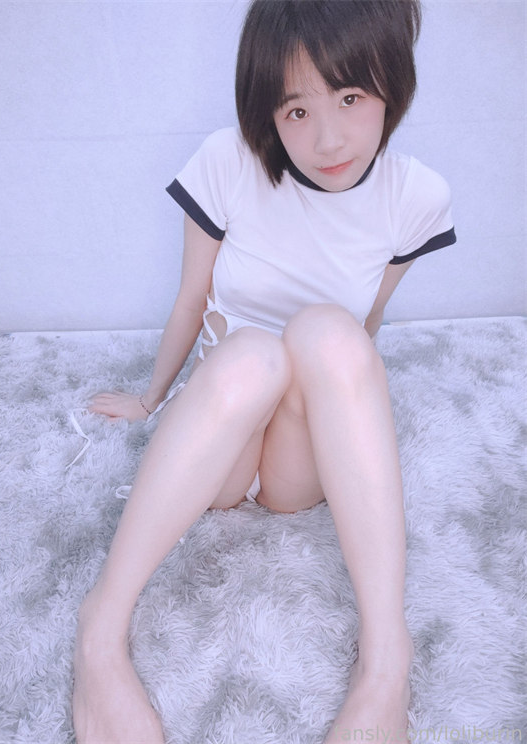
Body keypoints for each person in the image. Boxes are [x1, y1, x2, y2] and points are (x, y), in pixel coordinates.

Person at [72, 1, 456, 742]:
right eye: (296, 110)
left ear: (391, 85)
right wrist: (152, 399)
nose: (328, 138)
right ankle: (100, 631)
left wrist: (349, 407)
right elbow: (192, 297)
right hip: (219, 440)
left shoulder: (416, 197)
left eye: (350, 97)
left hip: (295, 466)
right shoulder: (229, 162)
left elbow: (365, 325)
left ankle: (386, 663)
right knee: (254, 352)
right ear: (267, 112)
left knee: (328, 331)